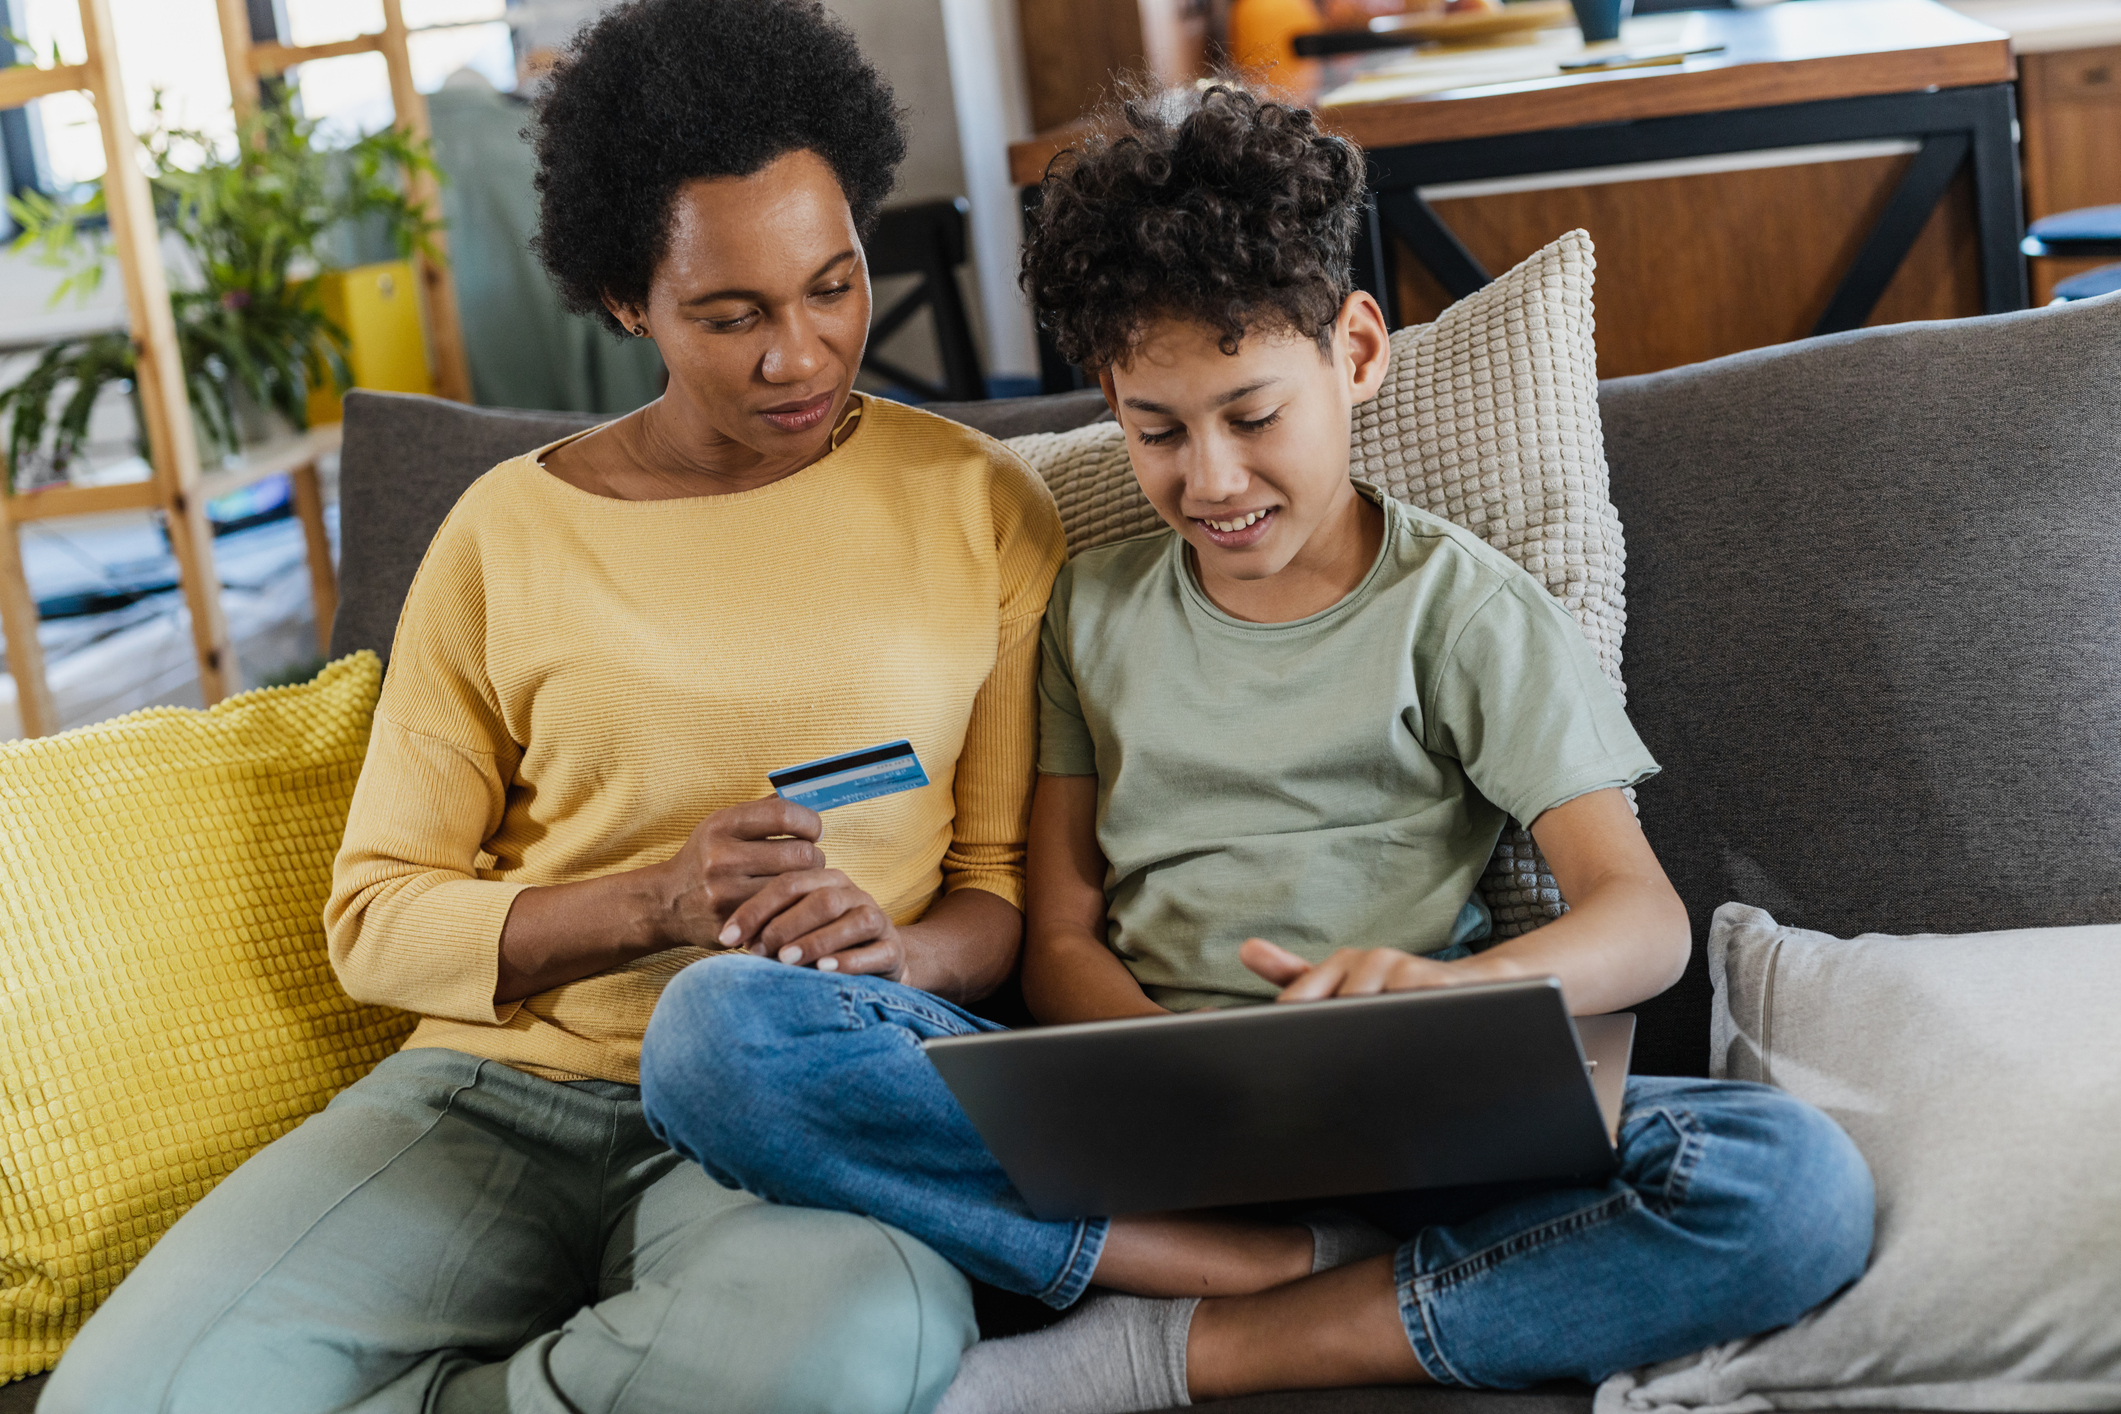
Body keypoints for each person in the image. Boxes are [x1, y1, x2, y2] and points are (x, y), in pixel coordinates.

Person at [635, 84, 1877, 1412]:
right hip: (1147, 1106)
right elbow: (1058, 935)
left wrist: (1446, 994)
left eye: (1251, 414)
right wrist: (1164, 1078)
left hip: (1407, 1101)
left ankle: (1188, 1337)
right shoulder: (1091, 609)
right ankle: (1237, 1258)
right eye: (1155, 429)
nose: (1210, 480)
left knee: (1787, 1186)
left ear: (1354, 351)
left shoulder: (1459, 607)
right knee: (713, 1030)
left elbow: (1640, 919)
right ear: (1109, 397)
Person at [38, 2, 1064, 1410]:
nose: (804, 355)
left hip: (793, 1117)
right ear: (625, 301)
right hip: (491, 1097)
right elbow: (376, 916)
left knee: (862, 1335)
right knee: (125, 1396)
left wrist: (897, 957)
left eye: (832, 286)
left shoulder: (980, 505)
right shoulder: (503, 533)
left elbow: (996, 894)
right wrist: (654, 904)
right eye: (732, 313)